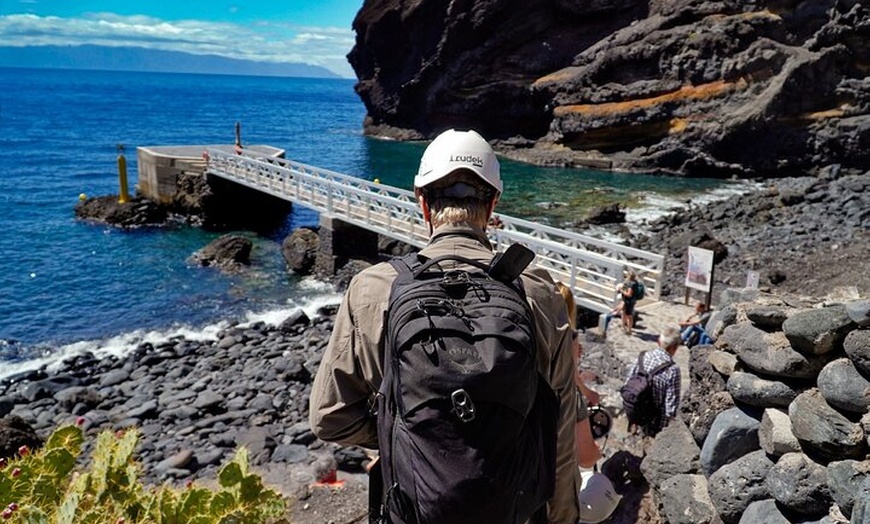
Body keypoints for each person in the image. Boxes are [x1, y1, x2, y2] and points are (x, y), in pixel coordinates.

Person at [309, 129, 580, 523]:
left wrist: (411, 434)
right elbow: (560, 431)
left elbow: (329, 417)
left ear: (422, 203)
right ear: (492, 205)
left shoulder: (373, 289)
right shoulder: (539, 294)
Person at [555, 282, 601, 469]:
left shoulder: (534, 330)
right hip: (563, 395)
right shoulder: (570, 336)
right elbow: (571, 374)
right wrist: (588, 394)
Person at [624, 326, 682, 436]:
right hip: (656, 422)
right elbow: (671, 407)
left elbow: (628, 381)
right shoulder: (672, 370)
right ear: (675, 348)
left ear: (658, 341)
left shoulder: (642, 356)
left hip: (637, 411)